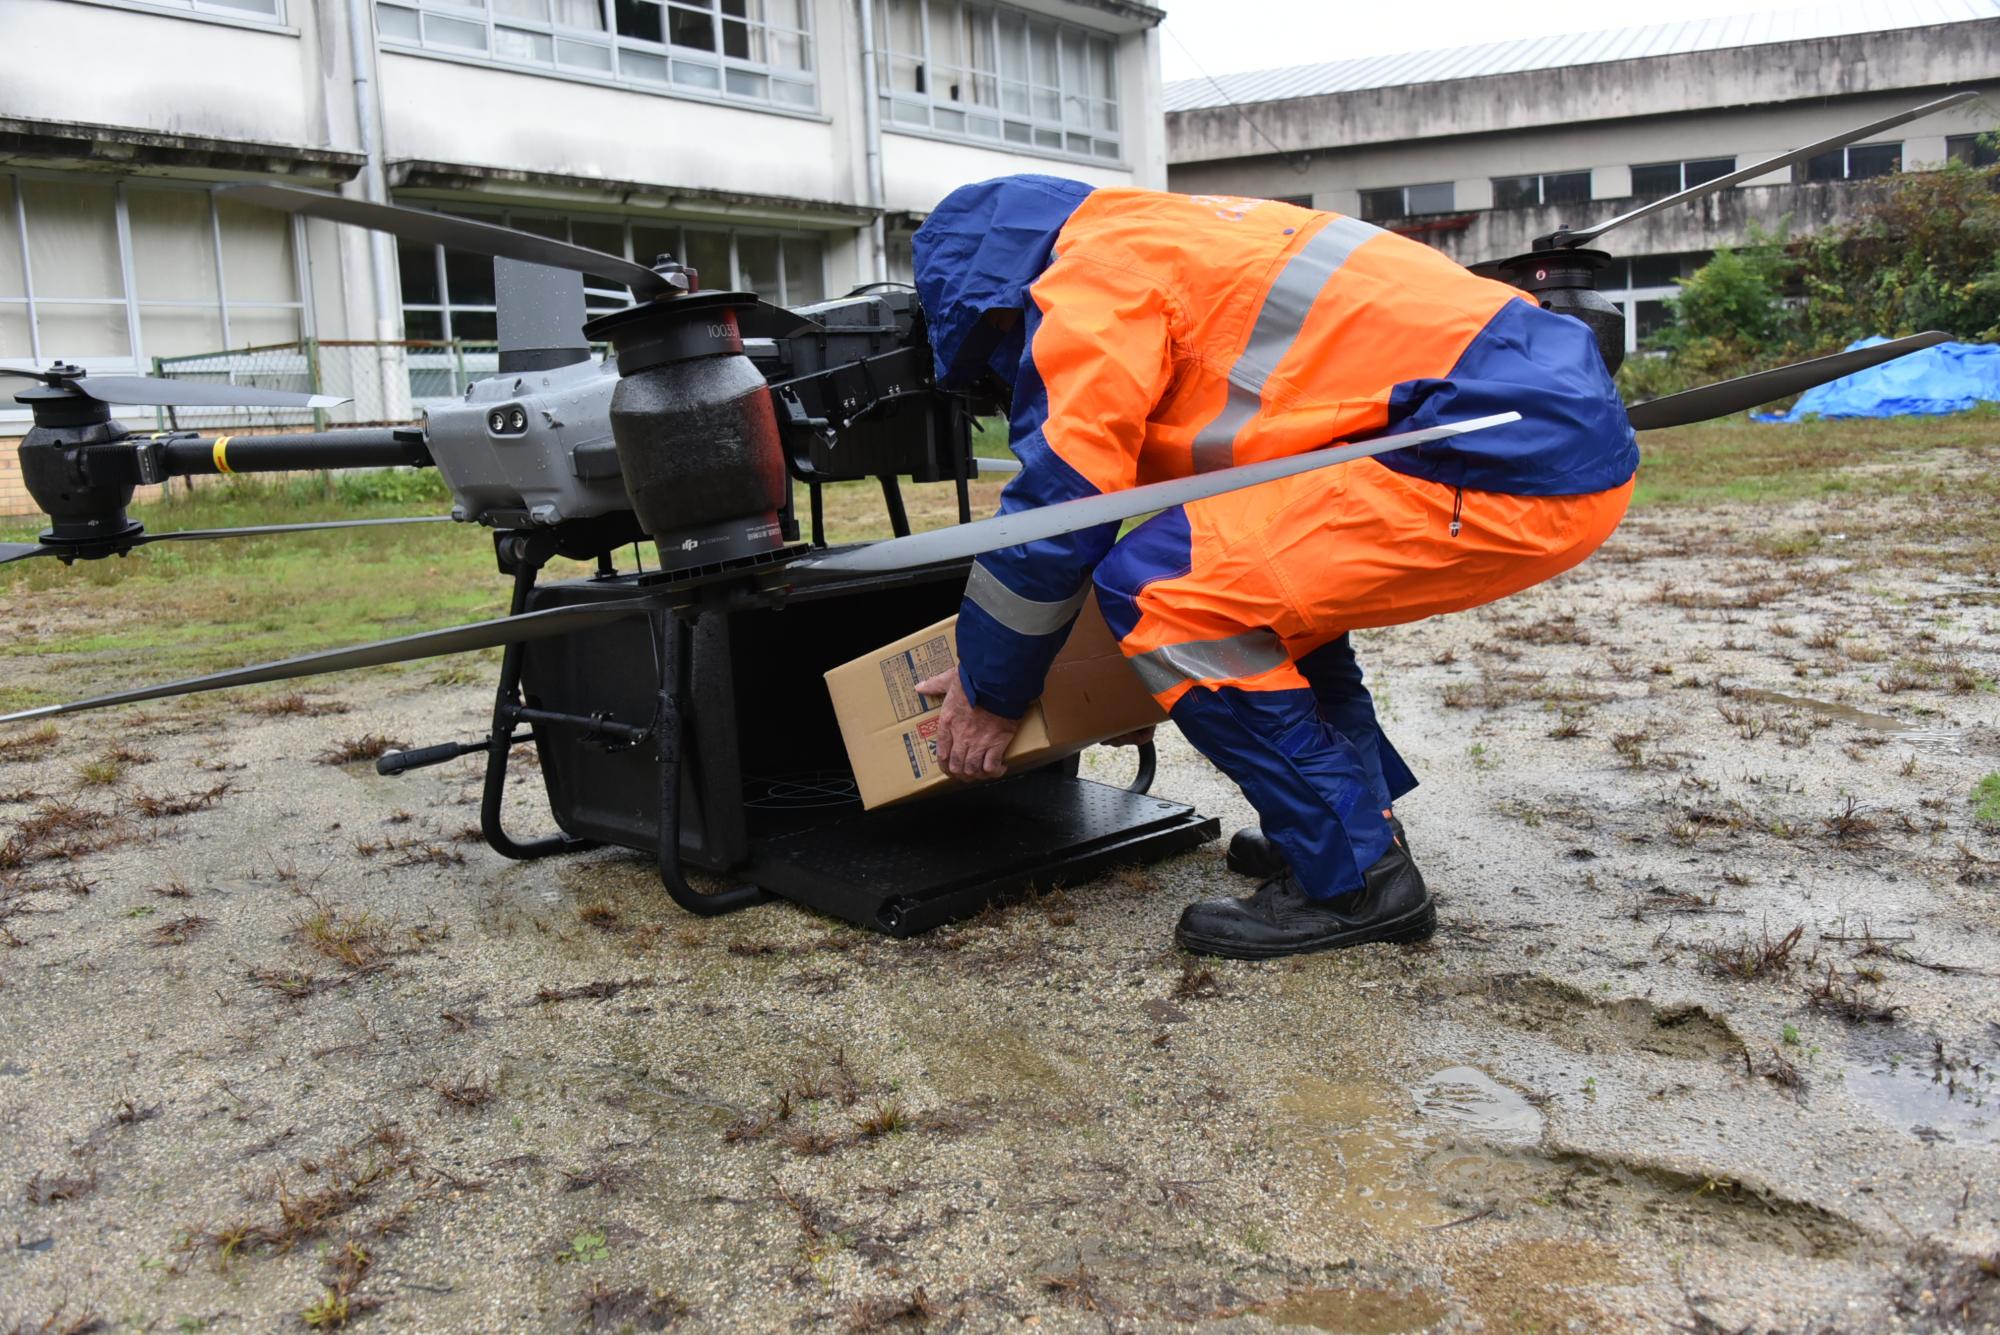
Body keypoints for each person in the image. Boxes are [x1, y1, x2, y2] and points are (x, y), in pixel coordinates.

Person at [910, 175, 1636, 960]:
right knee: (1251, 589)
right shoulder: (1169, 231)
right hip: (1537, 436)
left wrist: (990, 691)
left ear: (984, 296)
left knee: (1166, 590)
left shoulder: (1091, 280)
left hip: (1492, 457)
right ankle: (1341, 826)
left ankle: (1356, 878)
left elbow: (1061, 505)